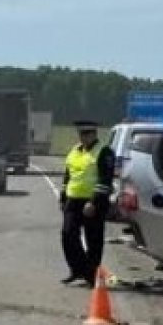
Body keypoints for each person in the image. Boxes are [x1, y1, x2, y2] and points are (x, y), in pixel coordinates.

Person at [59, 120, 115, 286]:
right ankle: (77, 269)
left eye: (87, 134)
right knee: (67, 235)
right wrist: (63, 197)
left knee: (94, 240)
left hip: (93, 201)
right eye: (81, 134)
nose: (83, 137)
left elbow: (105, 179)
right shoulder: (75, 151)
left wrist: (94, 202)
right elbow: (68, 175)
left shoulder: (104, 152)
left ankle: (91, 275)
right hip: (73, 200)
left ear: (94, 134)